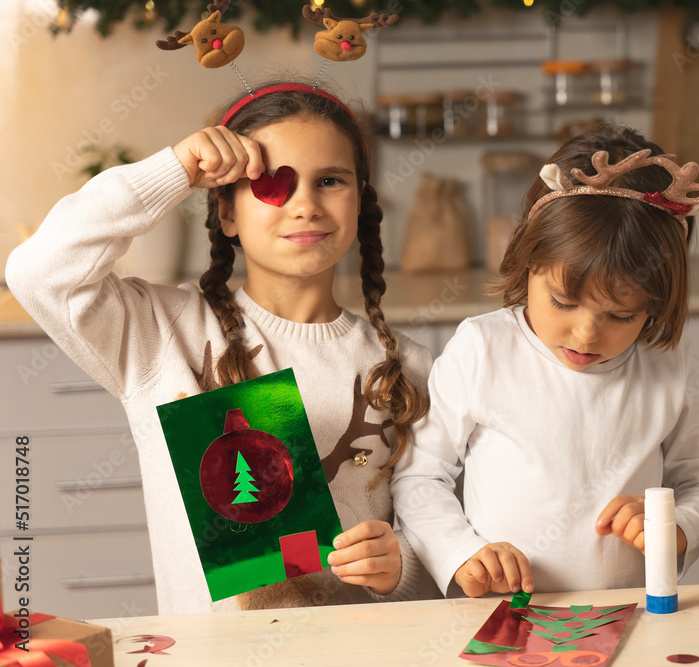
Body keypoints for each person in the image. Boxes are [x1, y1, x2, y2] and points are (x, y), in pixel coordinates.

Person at [5, 82, 438, 614]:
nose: (304, 205)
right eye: (274, 184)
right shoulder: (159, 334)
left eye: (329, 180)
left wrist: (402, 568)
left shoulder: (411, 370)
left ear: (361, 203)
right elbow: (39, 271)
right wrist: (174, 170)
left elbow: (453, 548)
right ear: (226, 214)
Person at [391, 124, 699, 598]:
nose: (586, 333)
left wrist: (677, 525)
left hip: (633, 611)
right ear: (528, 261)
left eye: (620, 314)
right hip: (505, 611)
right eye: (563, 301)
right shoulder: (482, 348)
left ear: (656, 304)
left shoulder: (666, 364)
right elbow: (420, 476)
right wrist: (461, 552)